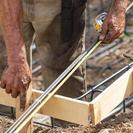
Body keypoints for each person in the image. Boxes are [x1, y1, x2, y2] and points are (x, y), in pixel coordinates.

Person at [0, 0, 128, 110]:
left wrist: (118, 9)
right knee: (8, 70)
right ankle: (8, 121)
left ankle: (66, 130)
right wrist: (16, 60)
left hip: (61, 6)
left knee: (62, 76)